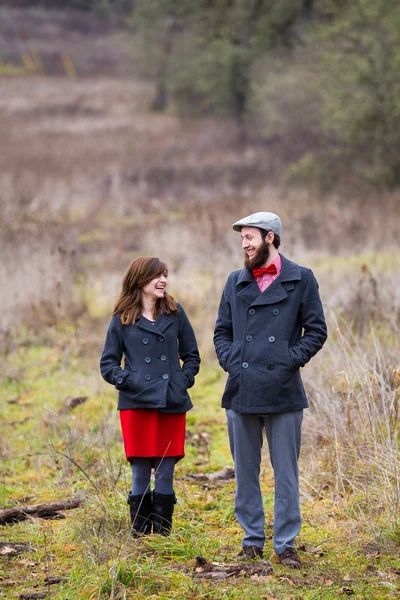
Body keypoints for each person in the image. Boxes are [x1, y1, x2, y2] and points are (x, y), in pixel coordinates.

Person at [213, 212, 327, 568]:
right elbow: (222, 333)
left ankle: (286, 544)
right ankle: (251, 541)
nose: (244, 245)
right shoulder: (235, 282)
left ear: (271, 238)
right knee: (245, 472)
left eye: (250, 237)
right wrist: (234, 361)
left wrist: (288, 358)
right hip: (242, 388)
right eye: (242, 239)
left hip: (283, 390)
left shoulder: (301, 278)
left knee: (286, 472)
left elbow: (317, 331)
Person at [100, 256, 200, 536]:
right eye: (156, 275)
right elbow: (108, 364)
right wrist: (128, 381)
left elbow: (192, 356)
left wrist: (182, 380)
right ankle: (141, 537)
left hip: (171, 401)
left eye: (165, 275)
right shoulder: (122, 319)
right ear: (139, 280)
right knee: (140, 470)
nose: (163, 280)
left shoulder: (175, 312)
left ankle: (164, 536)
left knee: (167, 470)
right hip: (136, 403)